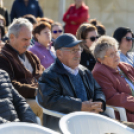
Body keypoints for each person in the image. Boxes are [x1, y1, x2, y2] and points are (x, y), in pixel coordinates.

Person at [37, 33, 106, 131]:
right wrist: (79, 106)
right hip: (66, 124)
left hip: (91, 119)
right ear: (59, 54)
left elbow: (98, 89)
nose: (77, 54)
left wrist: (98, 103)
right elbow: (50, 100)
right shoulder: (49, 75)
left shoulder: (84, 71)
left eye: (79, 49)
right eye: (73, 50)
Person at [0, 18, 44, 124]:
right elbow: (12, 86)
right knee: (43, 107)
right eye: (25, 39)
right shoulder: (3, 57)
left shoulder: (31, 56)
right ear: (12, 37)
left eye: (30, 39)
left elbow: (43, 74)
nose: (29, 43)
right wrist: (36, 91)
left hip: (33, 97)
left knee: (59, 103)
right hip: (27, 98)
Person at [92, 35, 134, 123]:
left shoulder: (126, 66)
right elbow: (112, 97)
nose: (116, 56)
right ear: (101, 59)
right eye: (111, 54)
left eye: (116, 52)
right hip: (127, 115)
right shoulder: (99, 72)